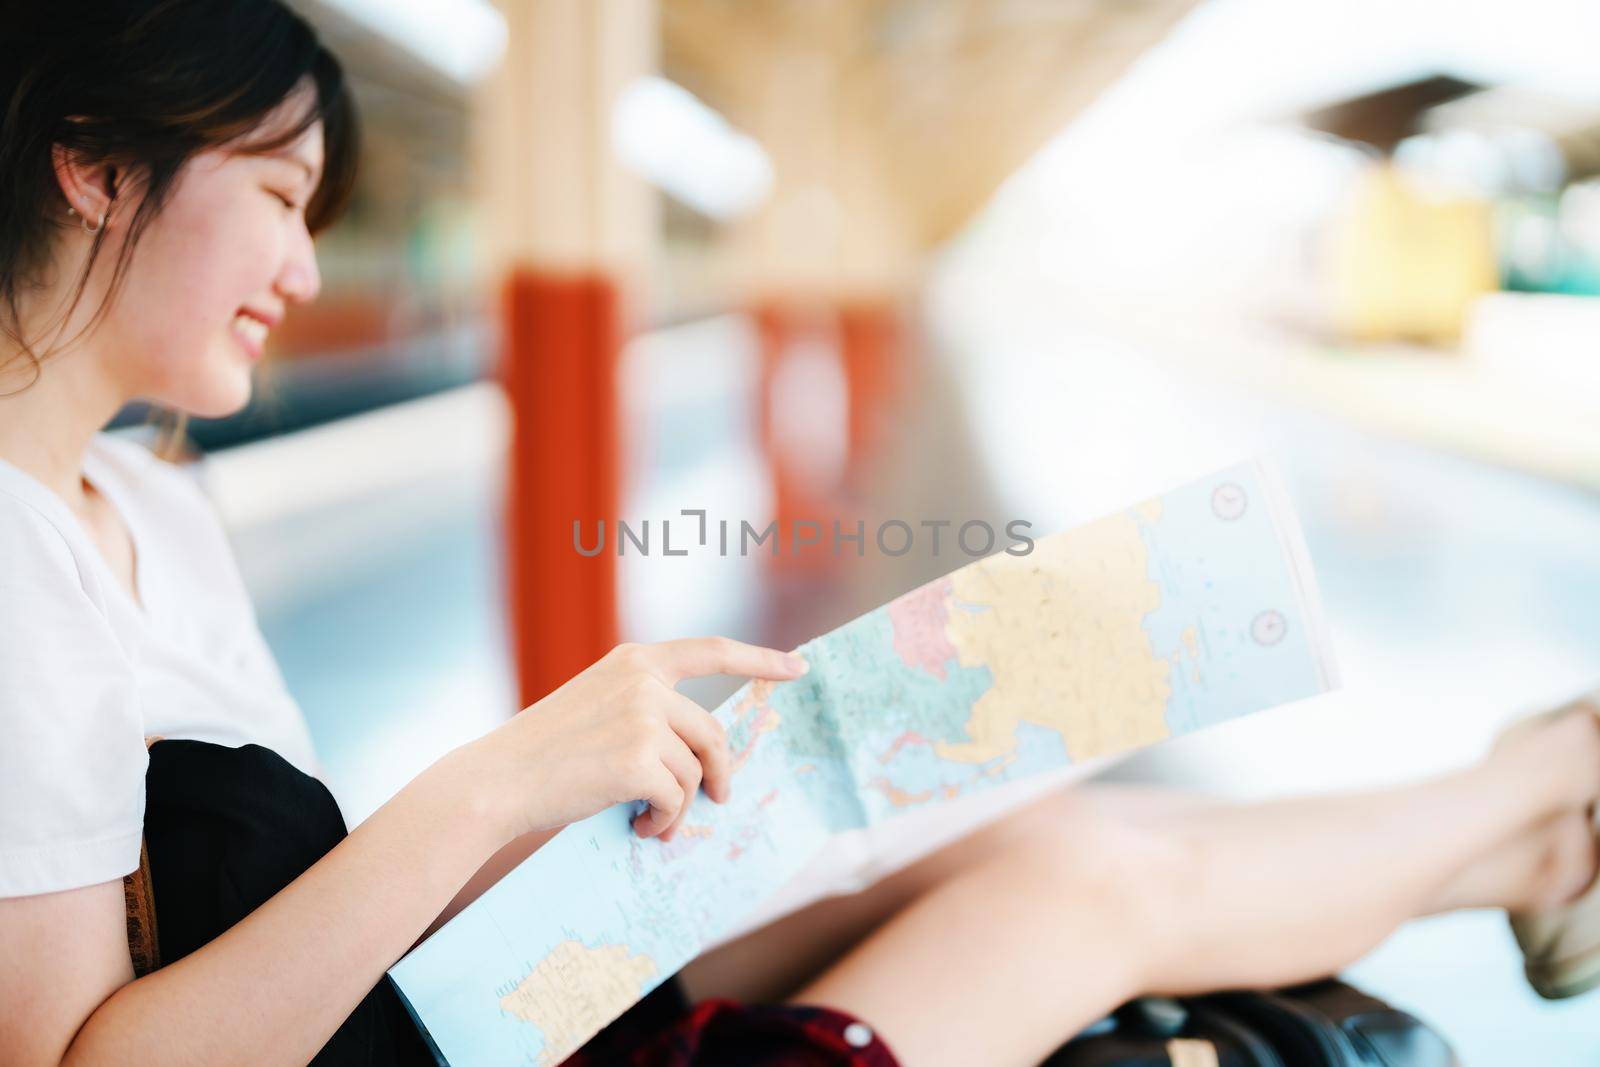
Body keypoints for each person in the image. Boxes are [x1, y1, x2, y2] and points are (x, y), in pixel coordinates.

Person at [2, 3, 1597, 1065]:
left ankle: (1531, 831)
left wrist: (644, 804)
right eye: (279, 197)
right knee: (1090, 886)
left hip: (436, 1020)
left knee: (989, 811)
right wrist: (502, 777)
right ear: (92, 162)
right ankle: (1550, 791)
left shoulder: (147, 498)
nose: (297, 263)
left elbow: (301, 915)